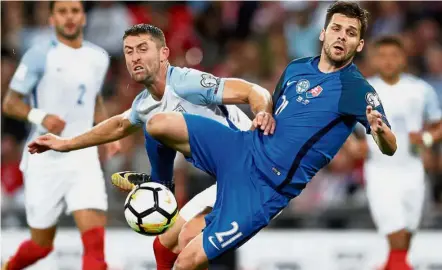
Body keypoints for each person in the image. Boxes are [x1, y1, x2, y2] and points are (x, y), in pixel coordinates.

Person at [28, 2, 398, 269]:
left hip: (264, 187)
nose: (342, 36)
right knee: (156, 125)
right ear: (323, 32)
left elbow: (389, 144)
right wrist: (63, 144)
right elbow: (122, 123)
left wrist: (380, 133)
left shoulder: (355, 88)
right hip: (240, 150)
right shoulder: (298, 67)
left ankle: (165, 195)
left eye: (351, 33)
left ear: (359, 45)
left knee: (183, 255)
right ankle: (163, 189)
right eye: (336, 28)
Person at [28, 23, 275, 270]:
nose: (135, 57)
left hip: (255, 172)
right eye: (129, 51)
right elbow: (118, 126)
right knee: (163, 246)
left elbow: (253, 91)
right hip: (227, 179)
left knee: (188, 239)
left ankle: (160, 186)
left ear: (163, 54)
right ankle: (160, 187)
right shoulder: (145, 104)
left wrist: (263, 112)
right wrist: (66, 143)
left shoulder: (186, 82)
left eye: (143, 49)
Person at [1, 2, 119, 270]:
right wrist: (40, 117)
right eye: (63, 11)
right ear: (52, 18)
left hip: (82, 155)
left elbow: (94, 98)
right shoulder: (38, 55)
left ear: (83, 17)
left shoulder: (98, 57)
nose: (69, 17)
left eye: (75, 11)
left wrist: (108, 135)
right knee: (41, 246)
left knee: (95, 249)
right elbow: (10, 103)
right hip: (44, 156)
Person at [358, 36, 442, 270]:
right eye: (382, 56)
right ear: (374, 59)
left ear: (404, 59)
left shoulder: (420, 90)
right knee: (394, 230)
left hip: (412, 168)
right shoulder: (364, 90)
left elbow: (438, 124)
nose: (388, 62)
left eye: (394, 56)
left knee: (405, 234)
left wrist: (426, 138)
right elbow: (343, 126)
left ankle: (390, 265)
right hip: (380, 170)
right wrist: (353, 146)